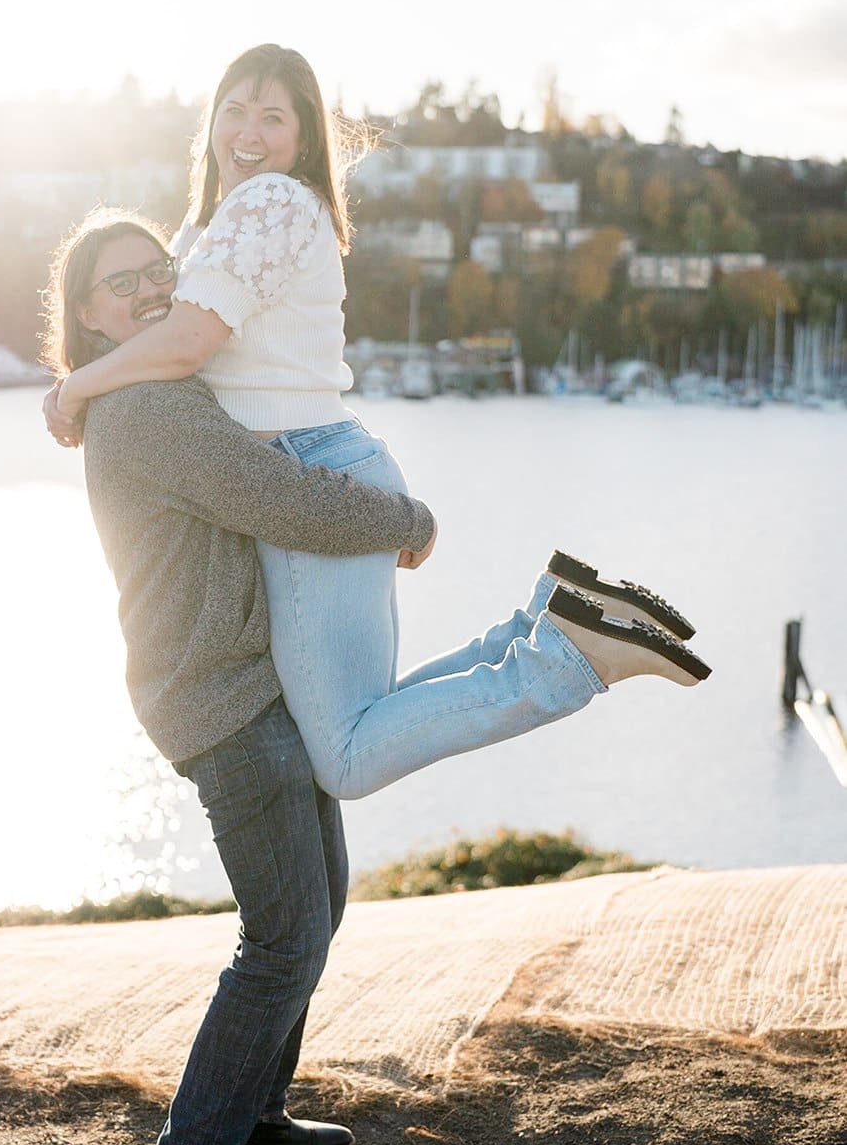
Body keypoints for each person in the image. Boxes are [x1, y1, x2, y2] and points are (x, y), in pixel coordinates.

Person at [44, 43, 710, 805]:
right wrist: (81, 388)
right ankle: (553, 619)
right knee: (365, 718)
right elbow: (175, 340)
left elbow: (188, 342)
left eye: (273, 116)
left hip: (299, 463)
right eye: (234, 110)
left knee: (348, 757)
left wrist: (75, 389)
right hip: (314, 454)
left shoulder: (270, 202)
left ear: (305, 138)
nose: (248, 132)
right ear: (211, 121)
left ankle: (568, 659)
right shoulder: (223, 220)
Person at [42, 208, 439, 1145]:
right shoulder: (145, 411)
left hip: (258, 684)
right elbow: (279, 498)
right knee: (282, 937)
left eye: (156, 271)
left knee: (324, 901)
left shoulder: (166, 390)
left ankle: (253, 1109)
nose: (145, 289)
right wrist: (405, 521)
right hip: (216, 697)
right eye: (118, 283)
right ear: (85, 316)